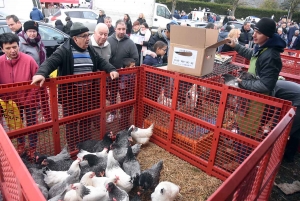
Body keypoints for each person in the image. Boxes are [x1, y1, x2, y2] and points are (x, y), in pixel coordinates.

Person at [31, 22, 119, 149]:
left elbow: (101, 61)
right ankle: (72, 148)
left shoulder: (90, 49)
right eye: (84, 36)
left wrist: (111, 69)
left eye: (88, 35)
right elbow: (51, 61)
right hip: (71, 96)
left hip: (88, 95)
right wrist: (41, 73)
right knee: (71, 124)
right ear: (75, 38)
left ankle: (86, 146)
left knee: (86, 122)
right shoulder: (64, 50)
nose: (88, 38)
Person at [0, 33, 50, 158]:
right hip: (10, 102)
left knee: (32, 124)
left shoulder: (29, 61)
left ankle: (32, 148)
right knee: (16, 125)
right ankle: (21, 144)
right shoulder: (0, 63)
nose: (12, 50)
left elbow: (40, 84)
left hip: (29, 100)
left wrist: (45, 110)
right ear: (2, 49)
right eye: (8, 48)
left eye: (15, 47)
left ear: (19, 45)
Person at [106, 19, 138, 123]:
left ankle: (123, 115)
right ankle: (112, 113)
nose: (121, 31)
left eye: (123, 29)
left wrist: (126, 65)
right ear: (115, 29)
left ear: (126, 29)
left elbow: (136, 59)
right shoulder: (108, 40)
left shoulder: (130, 43)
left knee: (125, 95)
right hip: (111, 74)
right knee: (112, 95)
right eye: (119, 29)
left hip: (125, 77)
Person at [272, 80, 300, 163]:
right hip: (297, 102)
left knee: (283, 132)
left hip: (299, 106)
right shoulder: (278, 84)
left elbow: (271, 107)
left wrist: (265, 123)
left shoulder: (271, 87)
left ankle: (273, 158)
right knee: (296, 133)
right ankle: (289, 157)